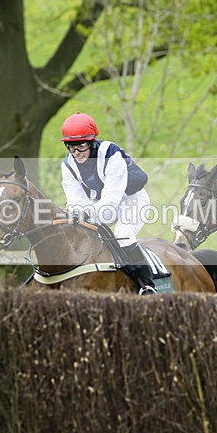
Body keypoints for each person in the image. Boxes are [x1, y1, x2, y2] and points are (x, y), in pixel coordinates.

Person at [60, 111, 158, 295]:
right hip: (100, 202)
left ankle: (147, 285)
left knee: (122, 234)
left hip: (132, 200)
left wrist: (87, 213)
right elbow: (75, 200)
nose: (76, 153)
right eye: (71, 147)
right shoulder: (67, 165)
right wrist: (75, 212)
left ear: (91, 142)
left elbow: (111, 201)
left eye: (81, 146)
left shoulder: (111, 155)